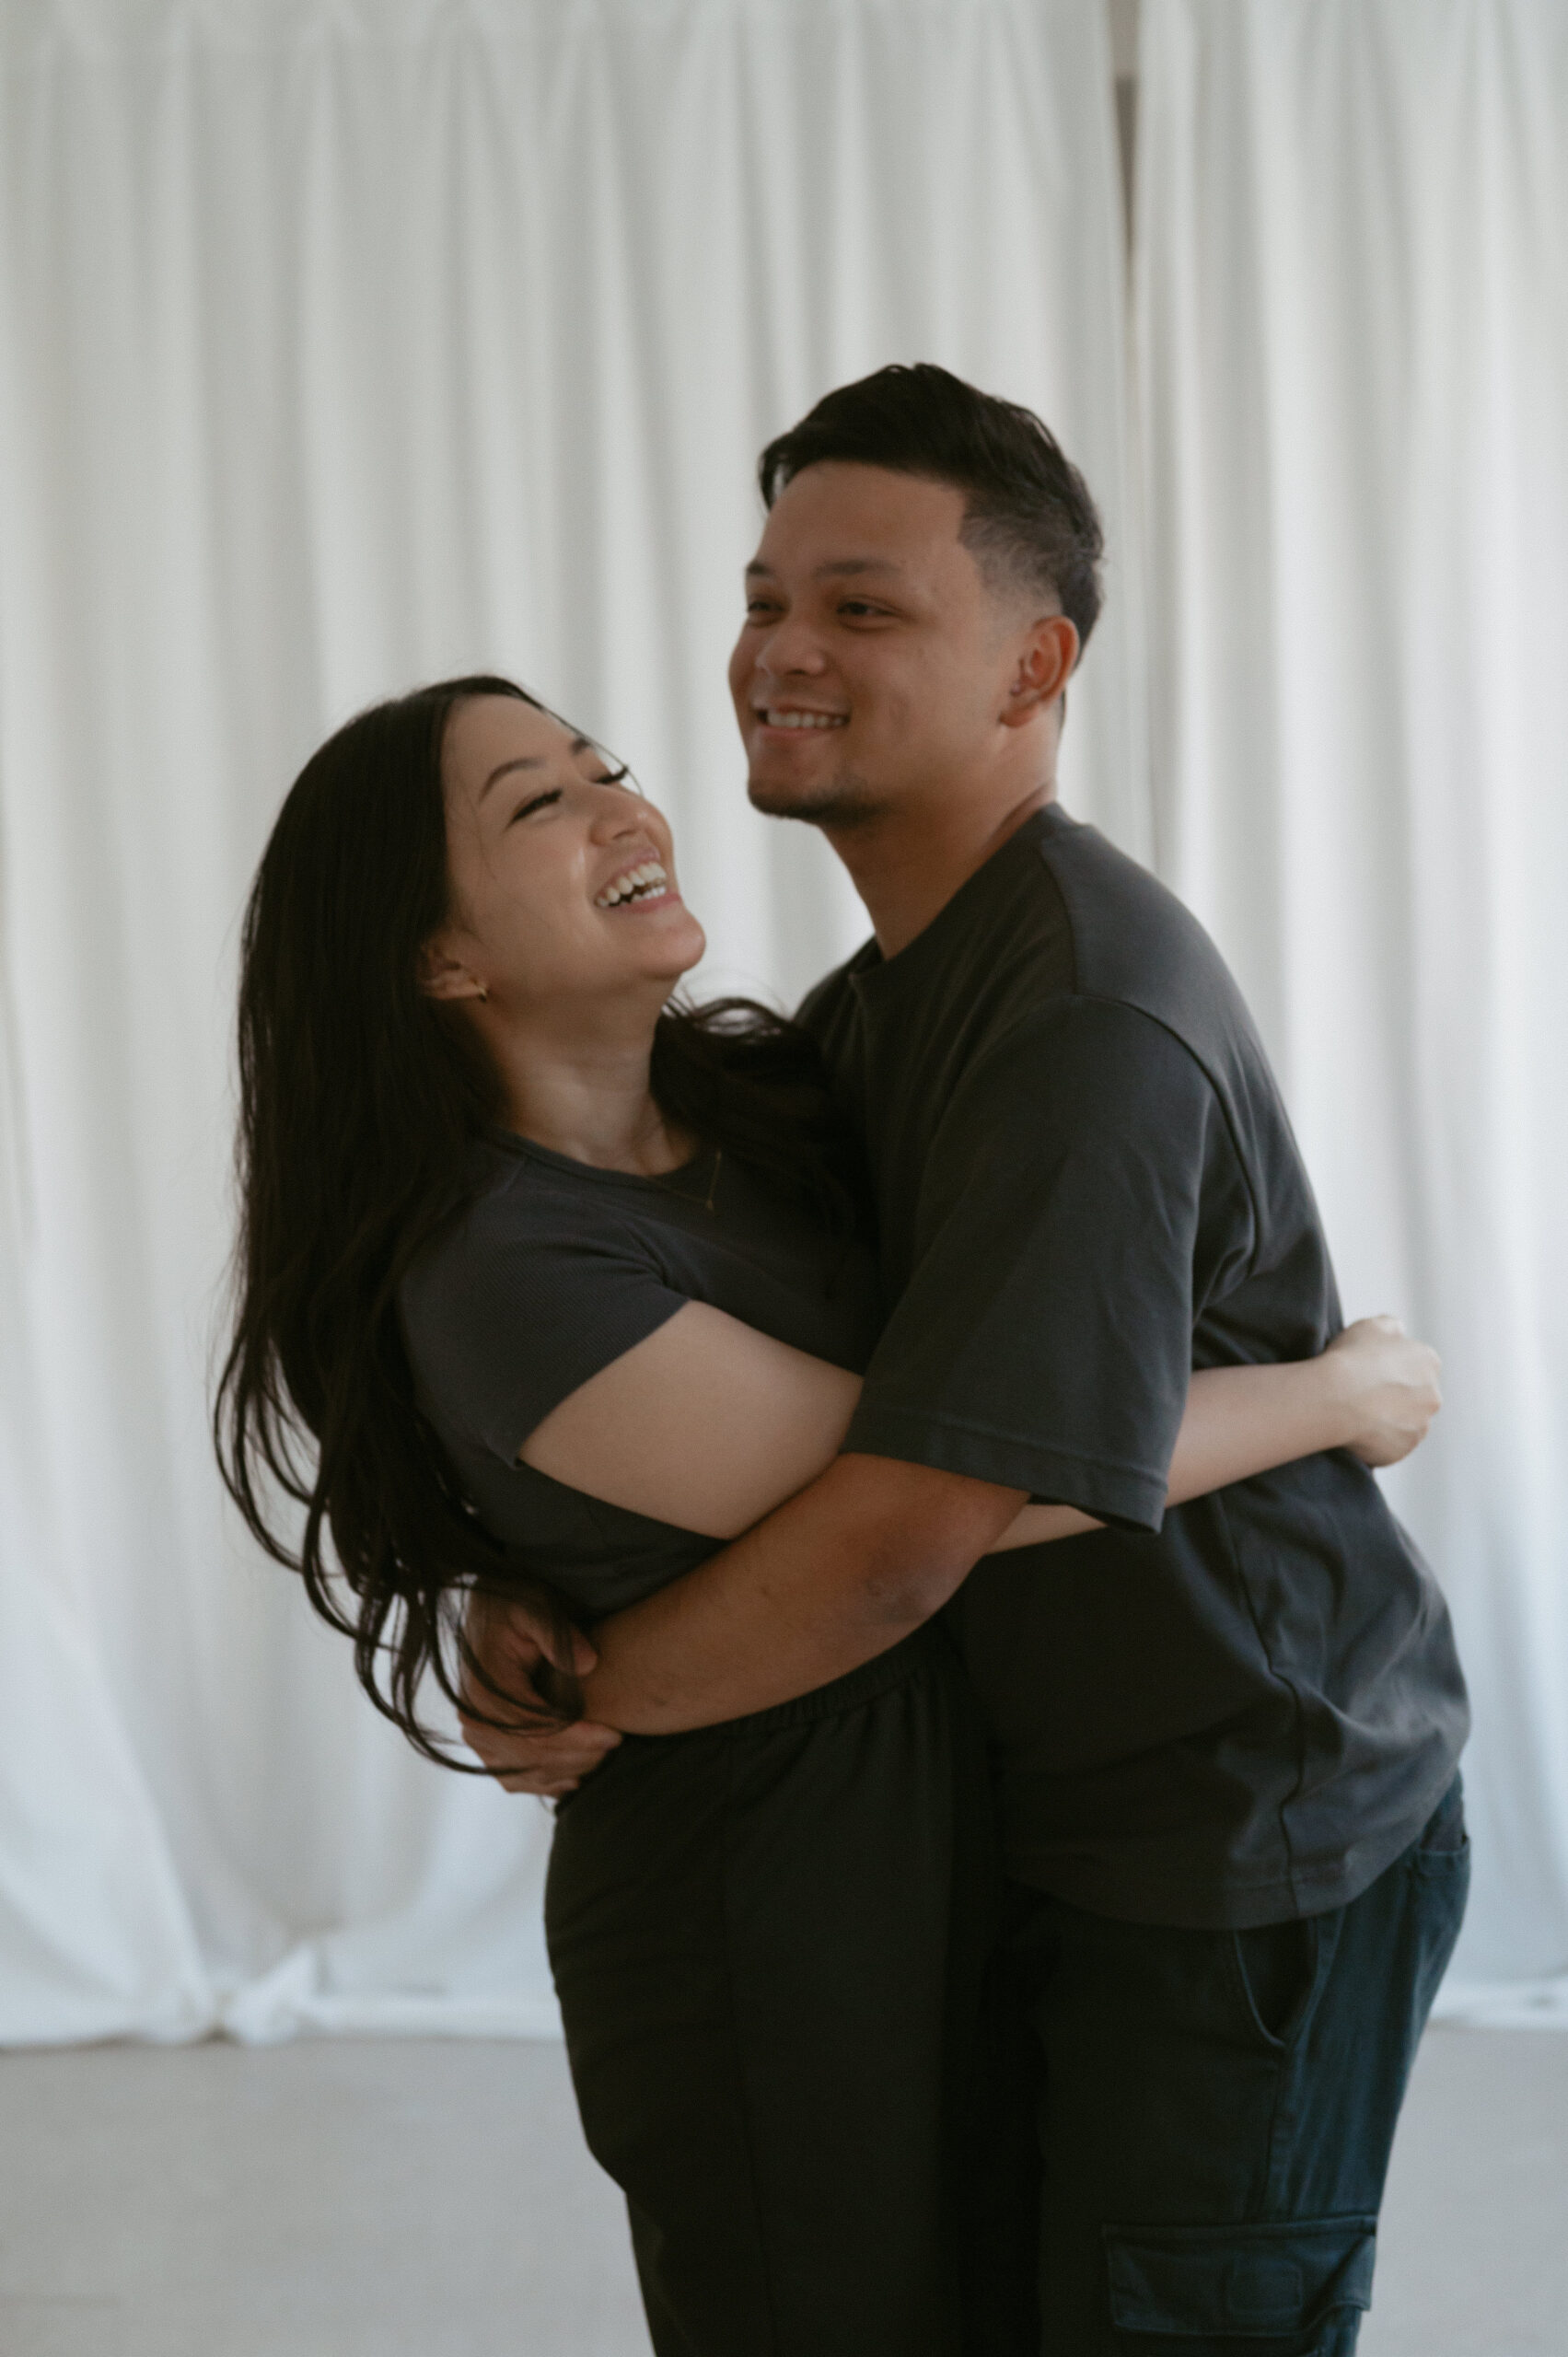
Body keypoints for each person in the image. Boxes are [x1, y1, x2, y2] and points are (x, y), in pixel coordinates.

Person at [217, 671, 1442, 2357]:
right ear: (441, 957)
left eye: (607, 770)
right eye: (537, 806)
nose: (624, 809)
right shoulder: (507, 1260)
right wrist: (1332, 1398)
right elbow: (943, 1488)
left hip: (949, 1856)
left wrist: (523, 1589)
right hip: (759, 1916)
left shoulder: (766, 1098)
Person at [469, 366, 1470, 2356]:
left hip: (1237, 1823)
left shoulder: (1084, 1017)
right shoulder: (867, 1013)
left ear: (1037, 661)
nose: (779, 651)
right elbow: (737, 1406)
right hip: (1037, 1808)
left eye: (861, 605)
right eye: (764, 599)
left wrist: (614, 1683)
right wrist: (527, 1581)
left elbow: (921, 1516)